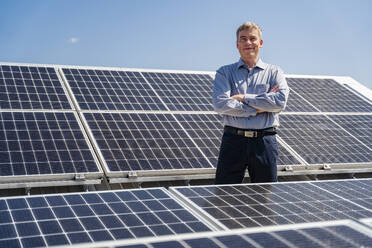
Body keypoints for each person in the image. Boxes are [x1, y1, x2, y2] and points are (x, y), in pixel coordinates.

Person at [213, 22, 289, 184]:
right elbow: (221, 104)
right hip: (233, 141)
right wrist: (260, 107)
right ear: (237, 44)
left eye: (253, 38)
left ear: (260, 43)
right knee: (224, 195)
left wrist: (243, 98)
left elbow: (280, 102)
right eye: (243, 39)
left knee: (266, 195)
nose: (248, 43)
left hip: (264, 142)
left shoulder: (274, 72)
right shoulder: (224, 72)